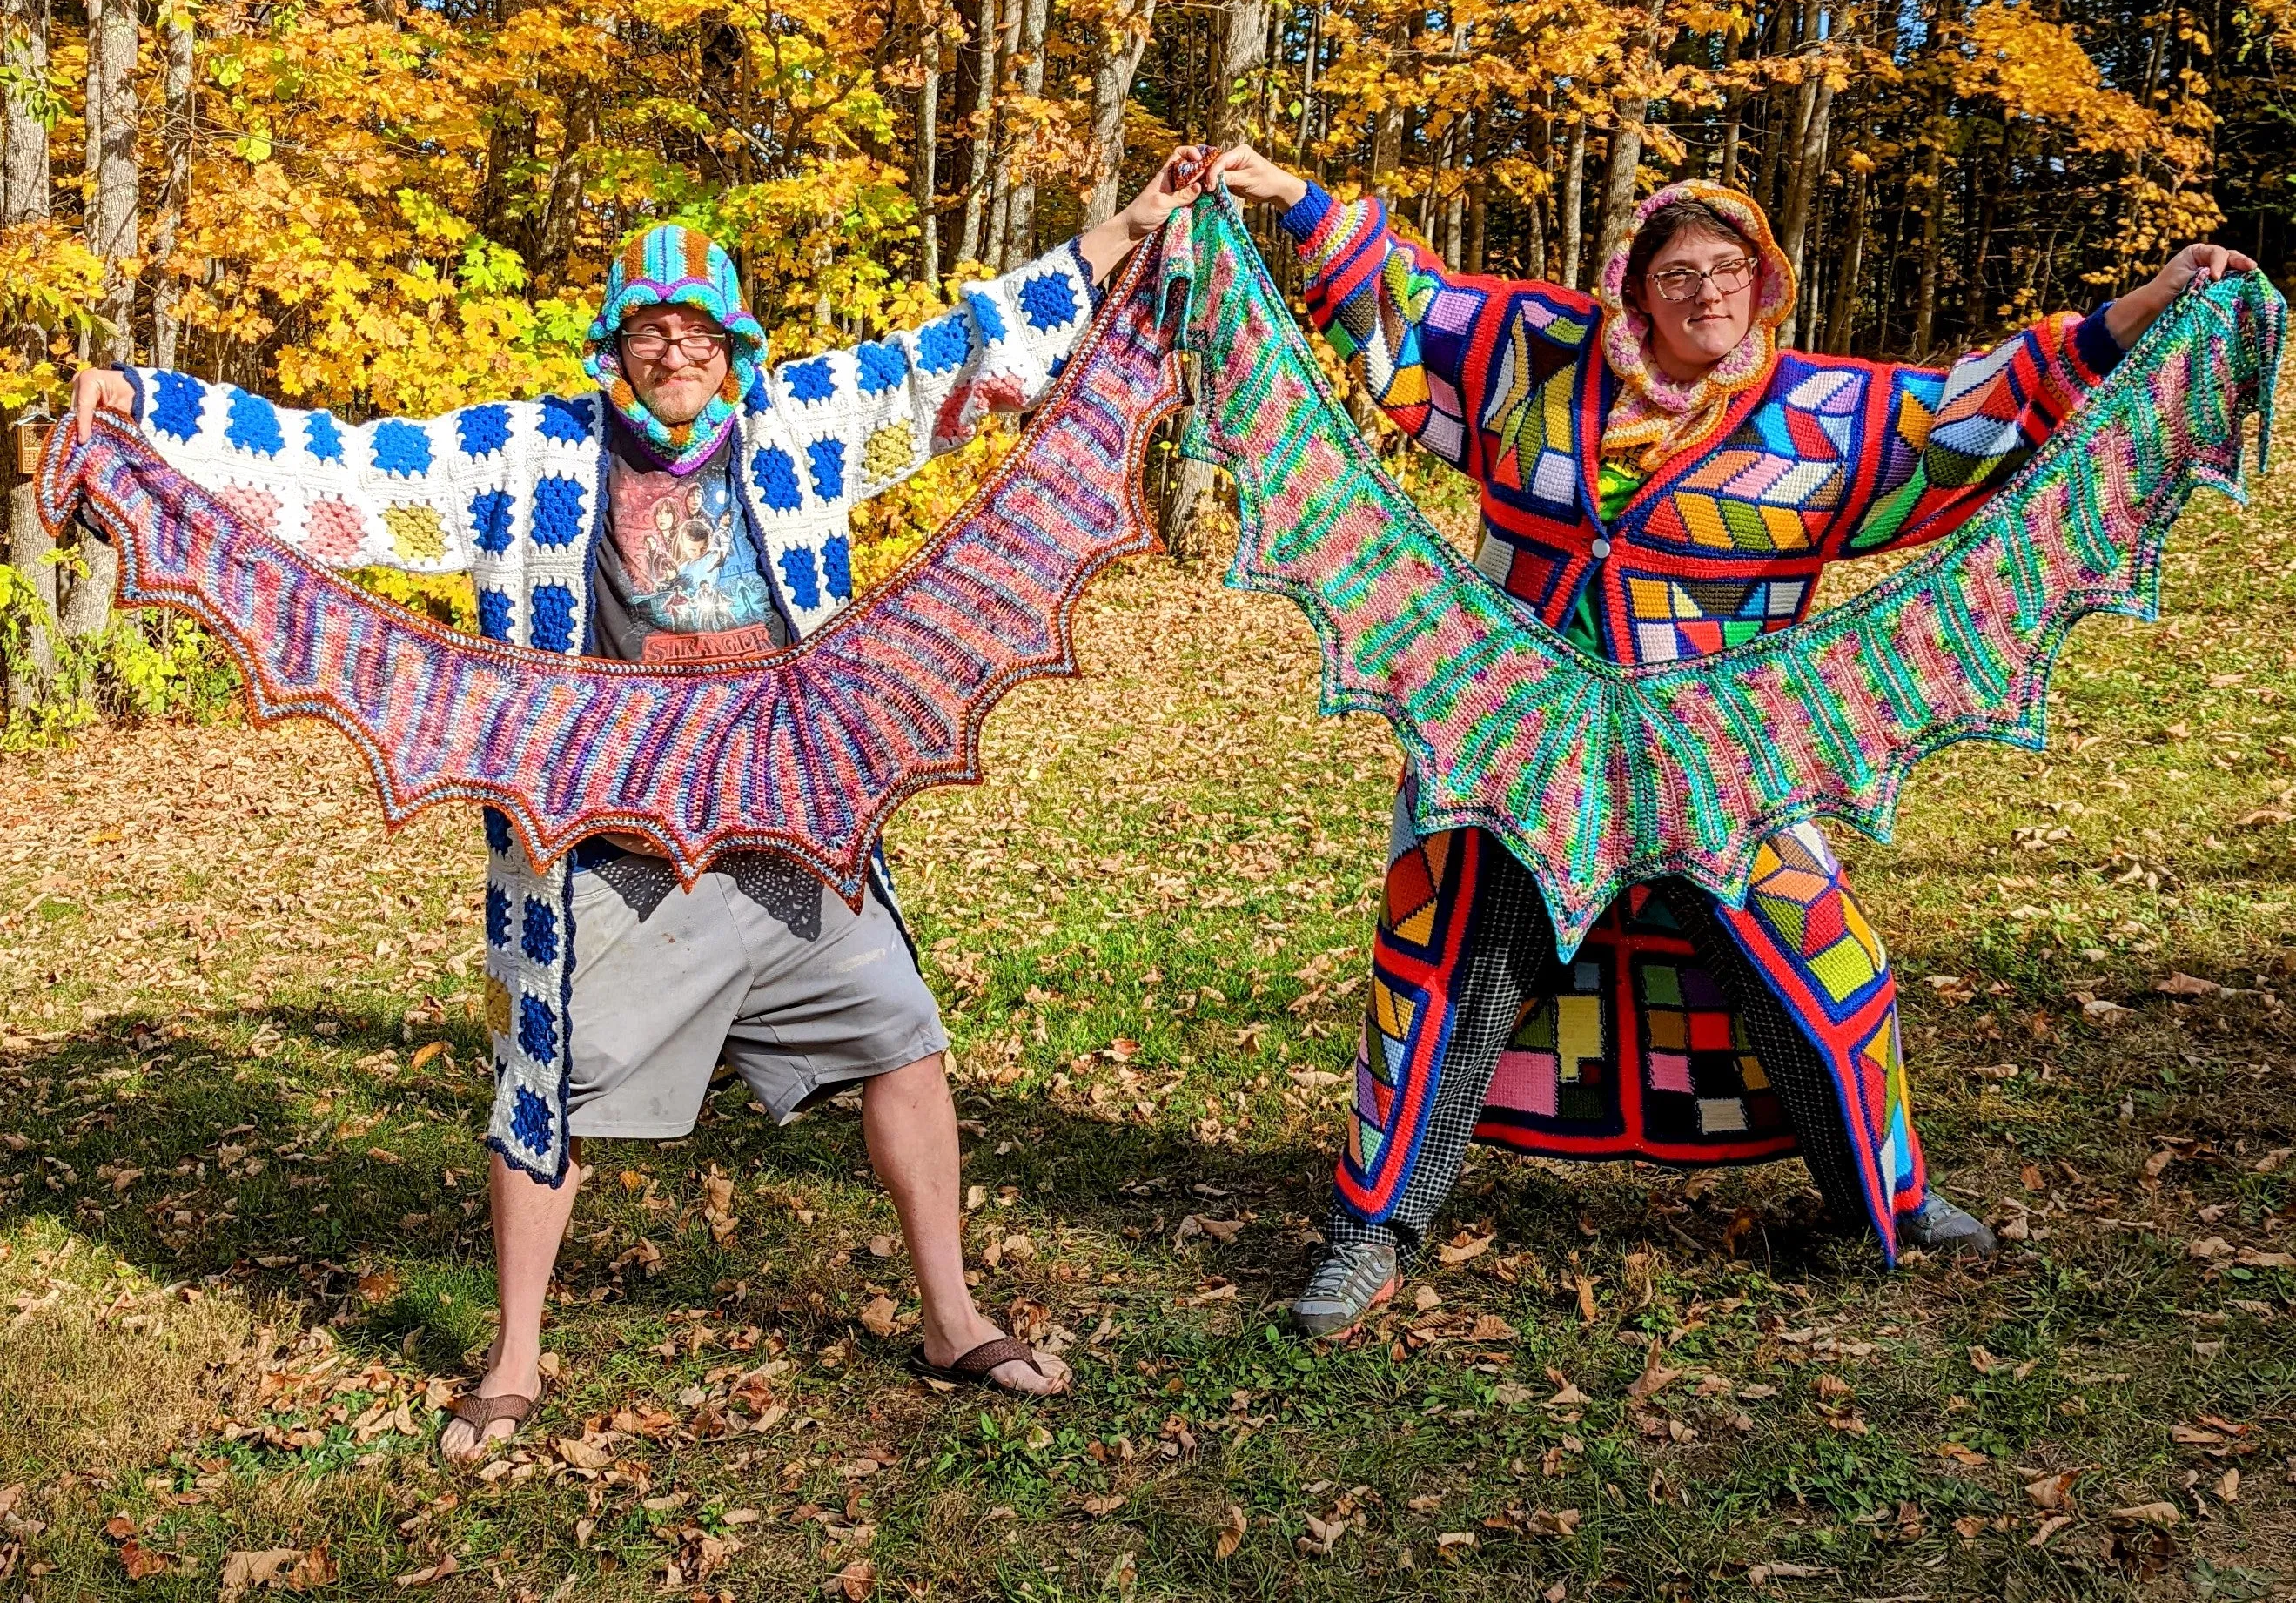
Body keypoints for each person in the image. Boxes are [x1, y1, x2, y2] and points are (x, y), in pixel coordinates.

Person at [70, 150, 1210, 1445]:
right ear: (616, 346)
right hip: (595, 845)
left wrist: (1126, 227)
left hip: (786, 827)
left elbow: (951, 356)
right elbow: (346, 466)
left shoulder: (801, 423)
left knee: (901, 1038)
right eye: (648, 335)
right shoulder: (525, 452)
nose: (674, 356)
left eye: (697, 334)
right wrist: (147, 407)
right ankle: (512, 1362)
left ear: (734, 341)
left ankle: (952, 1320)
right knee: (541, 1092)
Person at [1205, 146, 2255, 1334]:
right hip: (1509, 744)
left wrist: (2154, 299)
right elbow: (1404, 301)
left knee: (1820, 971)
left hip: (1715, 759)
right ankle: (1369, 1238)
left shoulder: (1822, 416)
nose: (1701, 292)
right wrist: (1287, 198)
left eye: (1725, 269)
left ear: (1763, 283)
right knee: (1445, 973)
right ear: (1631, 289)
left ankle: (1886, 1207)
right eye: (1673, 275)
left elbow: (1993, 402)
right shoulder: (1538, 362)